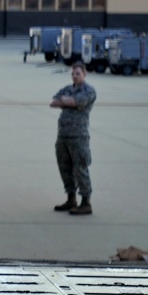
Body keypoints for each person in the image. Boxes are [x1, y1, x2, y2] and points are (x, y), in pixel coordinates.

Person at [51, 61, 96, 215]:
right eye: (73, 74)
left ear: (84, 74)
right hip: (63, 135)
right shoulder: (68, 89)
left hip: (78, 136)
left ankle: (85, 202)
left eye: (78, 73)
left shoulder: (89, 91)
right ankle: (71, 198)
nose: (75, 76)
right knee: (65, 168)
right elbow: (53, 102)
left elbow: (76, 101)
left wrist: (67, 101)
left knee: (80, 168)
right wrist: (67, 102)